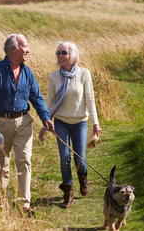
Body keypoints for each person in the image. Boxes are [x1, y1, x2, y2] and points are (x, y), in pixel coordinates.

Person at [0, 34, 54, 216]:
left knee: (24, 161)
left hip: (23, 123)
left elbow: (36, 97)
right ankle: (1, 203)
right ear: (14, 49)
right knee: (2, 165)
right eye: (24, 46)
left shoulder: (27, 73)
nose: (28, 50)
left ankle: (24, 206)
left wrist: (45, 118)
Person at [39, 42, 102, 209]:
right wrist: (46, 122)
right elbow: (51, 102)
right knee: (64, 157)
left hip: (80, 122)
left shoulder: (84, 74)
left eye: (64, 52)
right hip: (61, 122)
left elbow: (90, 100)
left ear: (72, 55)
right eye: (58, 52)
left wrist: (95, 123)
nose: (60, 55)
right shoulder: (53, 76)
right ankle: (68, 193)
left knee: (79, 158)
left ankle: (83, 177)